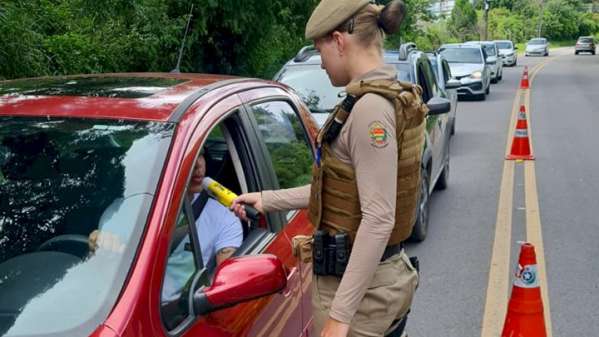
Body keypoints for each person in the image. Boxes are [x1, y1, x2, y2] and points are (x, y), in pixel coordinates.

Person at [232, 1, 426, 336]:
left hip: (360, 300)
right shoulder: (374, 97)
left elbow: (379, 218)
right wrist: (268, 200)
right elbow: (343, 189)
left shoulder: (370, 110)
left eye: (320, 50)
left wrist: (340, 316)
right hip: (372, 286)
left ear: (339, 41)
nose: (321, 63)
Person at [90, 152, 243, 299]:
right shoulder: (120, 213)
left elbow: (226, 287)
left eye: (200, 153)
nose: (198, 164)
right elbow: (101, 275)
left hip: (177, 315)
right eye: (184, 155)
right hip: (121, 307)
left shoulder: (225, 218)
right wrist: (98, 246)